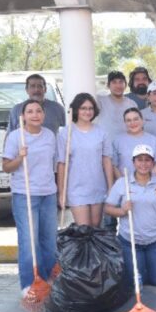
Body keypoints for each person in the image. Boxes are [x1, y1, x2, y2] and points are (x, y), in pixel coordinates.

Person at [2, 99, 58, 297]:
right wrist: (20, 157)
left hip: (48, 193)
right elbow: (6, 166)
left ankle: (50, 279)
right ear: (23, 116)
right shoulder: (16, 137)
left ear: (43, 115)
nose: (35, 115)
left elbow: (55, 163)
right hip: (25, 194)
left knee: (49, 240)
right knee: (29, 241)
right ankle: (30, 283)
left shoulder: (50, 135)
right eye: (30, 111)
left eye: (39, 111)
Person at [105, 144, 156, 293]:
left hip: (155, 240)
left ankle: (150, 265)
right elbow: (108, 208)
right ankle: (141, 267)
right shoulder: (122, 183)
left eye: (147, 160)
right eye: (139, 160)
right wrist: (122, 210)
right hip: (130, 241)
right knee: (133, 282)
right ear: (133, 162)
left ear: (153, 162)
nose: (143, 164)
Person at [57, 93, 114, 227]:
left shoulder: (101, 132)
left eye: (90, 108)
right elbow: (62, 164)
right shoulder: (66, 133)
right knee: (83, 229)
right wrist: (61, 192)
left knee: (95, 227)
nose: (87, 112)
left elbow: (106, 160)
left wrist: (110, 187)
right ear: (76, 110)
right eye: (83, 108)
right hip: (76, 188)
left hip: (97, 186)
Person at [112, 107, 156, 180]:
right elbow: (114, 165)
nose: (132, 123)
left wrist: (147, 180)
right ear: (125, 123)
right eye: (128, 120)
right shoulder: (117, 140)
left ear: (142, 120)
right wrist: (123, 183)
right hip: (125, 186)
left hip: (148, 184)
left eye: (136, 119)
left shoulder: (154, 140)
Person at [95, 71, 137, 140]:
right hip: (104, 146)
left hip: (125, 144)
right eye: (114, 82)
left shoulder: (132, 104)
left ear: (125, 85)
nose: (118, 86)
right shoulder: (100, 101)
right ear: (108, 85)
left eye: (121, 82)